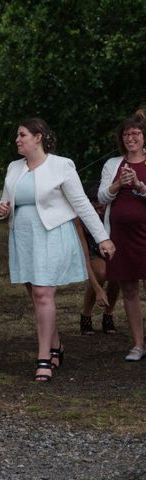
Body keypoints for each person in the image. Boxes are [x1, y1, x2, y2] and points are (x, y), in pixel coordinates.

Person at [0, 118, 115, 380]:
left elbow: (82, 204)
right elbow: (5, 202)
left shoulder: (61, 165)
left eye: (22, 135)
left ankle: (43, 360)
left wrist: (102, 237)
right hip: (23, 238)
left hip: (51, 235)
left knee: (43, 293)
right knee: (36, 295)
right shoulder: (14, 168)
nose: (17, 140)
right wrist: (1, 209)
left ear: (38, 137)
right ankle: (56, 345)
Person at [97, 114, 146, 361]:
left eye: (136, 133)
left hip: (144, 234)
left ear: (144, 136)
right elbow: (102, 197)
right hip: (121, 236)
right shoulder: (113, 164)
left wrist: (139, 186)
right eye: (126, 134)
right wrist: (117, 184)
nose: (130, 138)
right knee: (128, 289)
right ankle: (138, 344)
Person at [75, 183, 119, 335]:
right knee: (101, 273)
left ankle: (108, 314)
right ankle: (86, 314)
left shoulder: (112, 213)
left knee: (117, 276)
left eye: (102, 209)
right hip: (91, 248)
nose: (99, 213)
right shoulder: (79, 219)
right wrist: (97, 289)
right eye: (95, 210)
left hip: (110, 246)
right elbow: (85, 255)